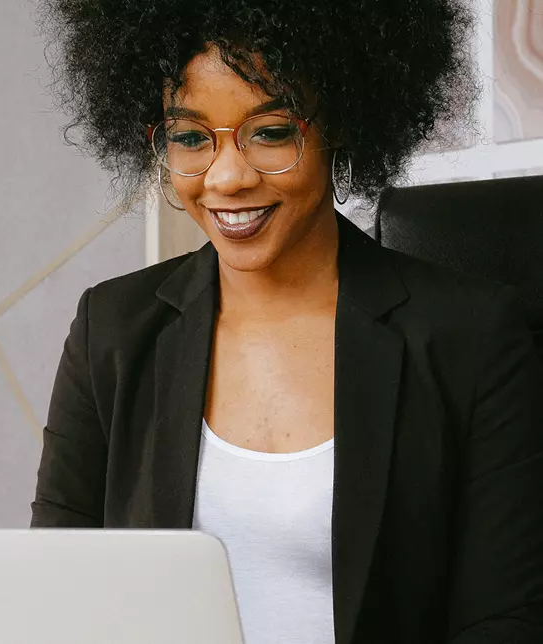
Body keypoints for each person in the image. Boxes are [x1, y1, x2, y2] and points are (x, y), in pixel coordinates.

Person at [30, 1, 543, 642]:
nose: (226, 177)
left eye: (271, 133)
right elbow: (55, 590)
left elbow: (505, 620)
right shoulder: (110, 329)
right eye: (191, 138)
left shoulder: (472, 334)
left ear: (342, 126)